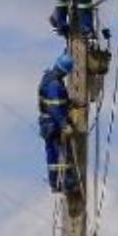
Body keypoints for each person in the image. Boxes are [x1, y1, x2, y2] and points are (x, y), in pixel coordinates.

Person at [38, 52, 77, 192]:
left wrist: (69, 103)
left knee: (55, 154)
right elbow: (54, 107)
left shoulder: (50, 78)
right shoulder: (54, 84)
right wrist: (64, 125)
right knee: (60, 153)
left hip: (48, 123)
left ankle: (58, 182)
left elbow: (58, 103)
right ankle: (65, 182)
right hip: (52, 124)